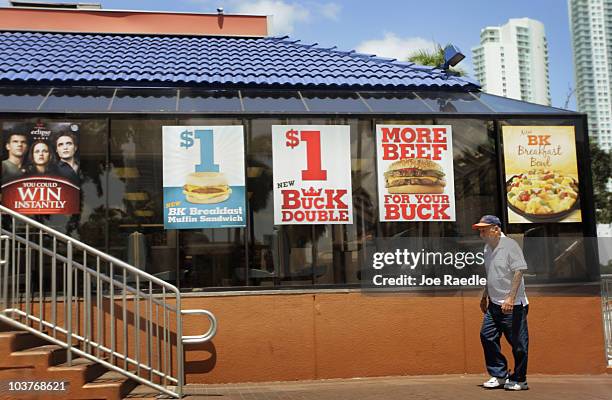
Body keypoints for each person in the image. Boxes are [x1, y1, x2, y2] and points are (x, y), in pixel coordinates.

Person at [472, 215, 529, 391]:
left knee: (518, 344)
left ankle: (520, 380)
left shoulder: (510, 246)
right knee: (487, 336)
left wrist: (511, 298)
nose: (481, 233)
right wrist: (484, 295)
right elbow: (492, 274)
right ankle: (499, 374)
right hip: (494, 304)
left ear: (496, 229)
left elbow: (519, 271)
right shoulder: (487, 248)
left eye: (484, 229)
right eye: (480, 230)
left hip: (513, 305)